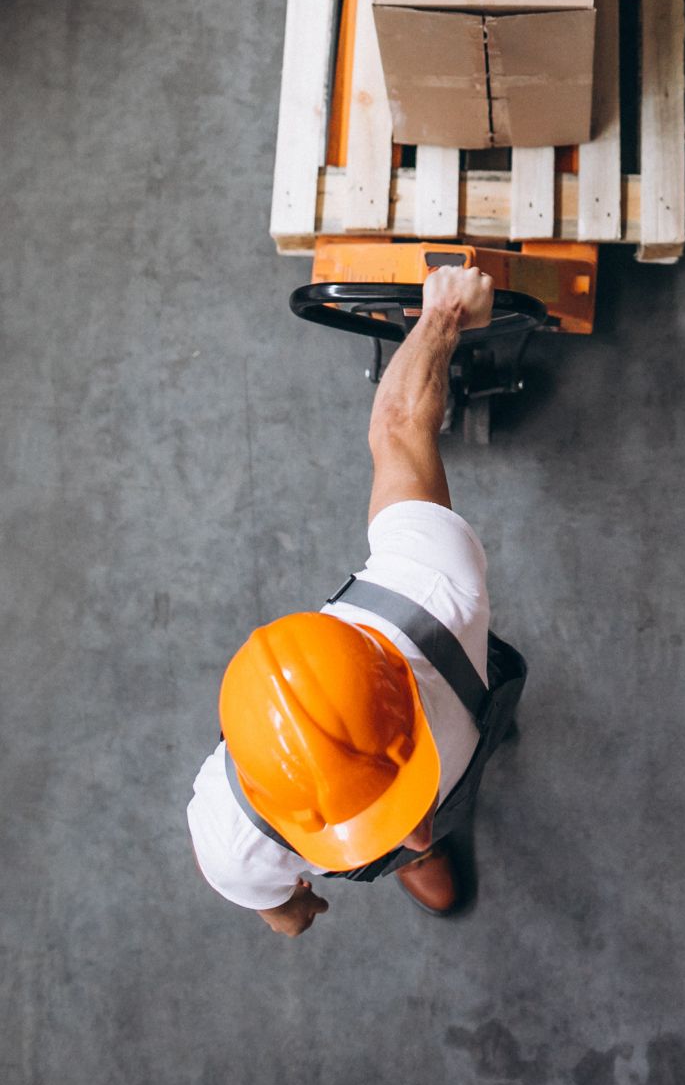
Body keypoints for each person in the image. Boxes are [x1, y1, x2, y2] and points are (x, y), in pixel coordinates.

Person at [186, 265, 525, 935]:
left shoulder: (433, 594)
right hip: (455, 704)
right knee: (437, 816)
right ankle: (417, 823)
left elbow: (401, 427)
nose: (418, 837)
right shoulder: (234, 843)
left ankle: (469, 741)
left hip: (452, 680)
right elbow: (280, 915)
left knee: (463, 761)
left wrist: (443, 320)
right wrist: (293, 906)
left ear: (403, 679)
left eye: (400, 809)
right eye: (382, 821)